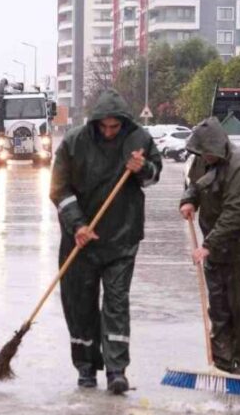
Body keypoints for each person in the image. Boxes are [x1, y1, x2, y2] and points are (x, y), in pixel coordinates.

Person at [50, 89, 162, 394]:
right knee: (80, 305)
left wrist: (144, 169)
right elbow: (59, 190)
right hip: (81, 241)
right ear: (95, 122)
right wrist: (78, 225)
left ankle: (116, 370)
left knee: (116, 302)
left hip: (122, 237)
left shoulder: (139, 140)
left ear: (124, 123)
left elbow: (154, 176)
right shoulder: (74, 143)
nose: (110, 132)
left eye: (116, 127)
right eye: (104, 127)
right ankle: (86, 368)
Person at [178, 117, 240, 375]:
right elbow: (196, 186)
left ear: (218, 148)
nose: (204, 158)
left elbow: (235, 213)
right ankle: (221, 363)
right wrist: (189, 201)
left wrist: (208, 245)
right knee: (218, 307)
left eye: (207, 154)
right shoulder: (201, 160)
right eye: (201, 154)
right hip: (218, 247)